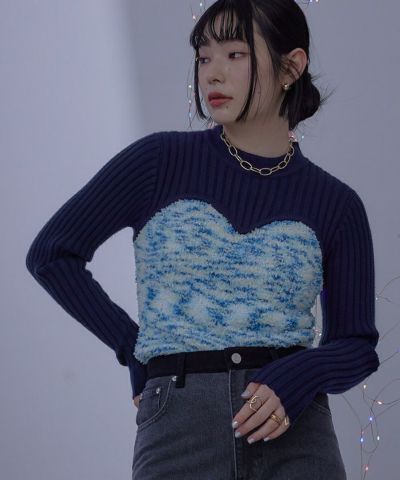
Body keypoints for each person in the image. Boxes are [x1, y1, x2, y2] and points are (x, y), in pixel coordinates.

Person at [26, 0, 380, 479]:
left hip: (294, 430)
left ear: (291, 67)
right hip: (179, 427)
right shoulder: (159, 162)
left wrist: (301, 374)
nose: (212, 73)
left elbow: (357, 345)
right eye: (203, 56)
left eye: (235, 54)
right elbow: (52, 254)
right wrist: (132, 345)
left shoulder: (335, 202)